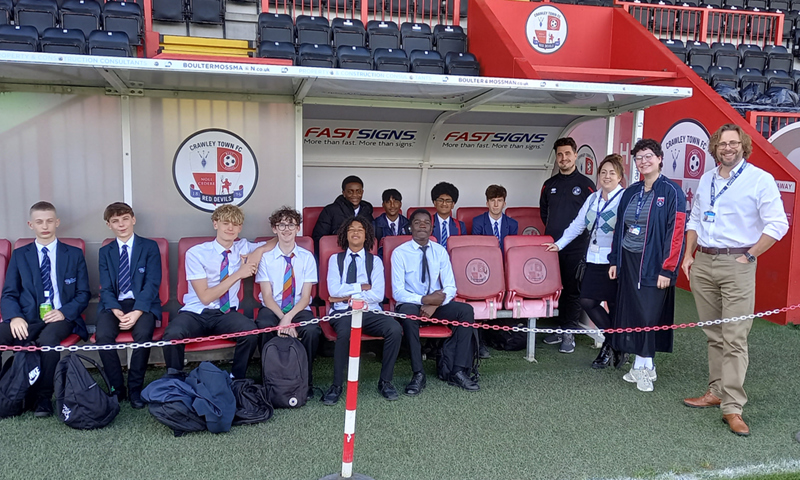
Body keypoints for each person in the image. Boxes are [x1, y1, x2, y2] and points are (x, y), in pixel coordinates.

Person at [682, 124, 788, 437]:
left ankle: (732, 407)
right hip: (704, 261)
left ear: (743, 146)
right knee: (713, 334)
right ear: (715, 148)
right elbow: (695, 218)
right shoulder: (707, 179)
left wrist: (750, 256)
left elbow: (777, 224)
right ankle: (716, 391)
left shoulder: (760, 179)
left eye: (733, 143)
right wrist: (688, 256)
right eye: (722, 144)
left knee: (735, 337)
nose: (727, 148)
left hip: (737, 263)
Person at [608, 139, 686, 393]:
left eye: (648, 156)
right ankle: (641, 365)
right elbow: (620, 228)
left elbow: (677, 234)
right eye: (639, 158)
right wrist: (615, 260)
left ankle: (645, 367)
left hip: (654, 262)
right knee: (633, 312)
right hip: (629, 259)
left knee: (648, 314)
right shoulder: (631, 191)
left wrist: (668, 269)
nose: (644, 161)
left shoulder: (672, 192)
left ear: (660, 158)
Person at [0, 202, 91, 417]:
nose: (45, 226)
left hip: (61, 317)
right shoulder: (20, 255)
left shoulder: (73, 254)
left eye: (49, 221)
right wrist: (15, 317)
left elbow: (83, 293)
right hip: (27, 318)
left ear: (57, 222)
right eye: (39, 222)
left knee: (49, 340)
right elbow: (9, 293)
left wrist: (64, 312)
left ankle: (43, 397)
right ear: (30, 224)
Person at [162, 205, 265, 381]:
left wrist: (258, 252)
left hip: (226, 313)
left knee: (250, 332)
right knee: (173, 334)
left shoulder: (243, 246)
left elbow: (274, 243)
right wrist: (239, 274)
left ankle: (236, 379)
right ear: (215, 224)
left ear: (240, 228)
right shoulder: (197, 253)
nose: (230, 228)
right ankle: (176, 382)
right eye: (226, 223)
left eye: (235, 224)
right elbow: (206, 297)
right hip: (196, 312)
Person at [544, 155, 626, 369]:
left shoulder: (624, 198)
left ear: (620, 177)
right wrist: (559, 244)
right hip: (592, 259)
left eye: (612, 173)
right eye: (603, 172)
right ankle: (615, 342)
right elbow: (578, 224)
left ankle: (608, 348)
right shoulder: (593, 198)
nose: (607, 177)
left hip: (615, 261)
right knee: (587, 301)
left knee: (615, 306)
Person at [392, 209, 479, 394]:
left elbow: (450, 287)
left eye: (426, 222)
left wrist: (433, 304)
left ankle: (458, 371)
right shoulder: (399, 253)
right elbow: (398, 292)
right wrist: (424, 300)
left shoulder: (440, 251)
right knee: (408, 314)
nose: (422, 226)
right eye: (417, 222)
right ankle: (418, 373)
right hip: (411, 303)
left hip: (435, 305)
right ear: (410, 227)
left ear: (431, 228)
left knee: (465, 311)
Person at [323, 217, 403, 405]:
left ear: (367, 235)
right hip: (343, 312)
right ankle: (336, 385)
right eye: (351, 229)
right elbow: (333, 290)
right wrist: (362, 287)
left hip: (370, 311)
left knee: (394, 329)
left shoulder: (375, 261)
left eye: (360, 229)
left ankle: (385, 382)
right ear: (345, 234)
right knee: (344, 333)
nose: (355, 232)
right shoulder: (335, 260)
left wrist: (348, 295)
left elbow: (377, 294)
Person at [96, 202, 161, 409]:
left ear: (133, 219)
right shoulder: (105, 252)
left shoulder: (149, 247)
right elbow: (105, 287)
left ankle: (135, 388)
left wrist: (137, 312)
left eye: (125, 219)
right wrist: (116, 310)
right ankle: (117, 387)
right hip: (114, 304)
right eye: (115, 221)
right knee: (103, 336)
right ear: (109, 225)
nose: (121, 224)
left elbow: (152, 283)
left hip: (143, 303)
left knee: (143, 334)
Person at [255, 207, 321, 401]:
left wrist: (289, 318)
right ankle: (268, 382)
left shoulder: (307, 257)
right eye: (282, 225)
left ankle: (305, 381)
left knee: (311, 331)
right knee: (264, 325)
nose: (286, 229)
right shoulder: (266, 258)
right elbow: (267, 296)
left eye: (291, 225)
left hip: (298, 308)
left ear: (298, 228)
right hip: (273, 307)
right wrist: (282, 318)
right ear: (274, 229)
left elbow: (306, 296)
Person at [539, 137, 596, 354]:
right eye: (560, 155)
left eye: (567, 154)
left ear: (575, 155)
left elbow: (590, 217)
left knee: (572, 290)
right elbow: (544, 213)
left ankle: (569, 332)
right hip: (552, 247)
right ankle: (560, 328)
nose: (564, 158)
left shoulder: (586, 185)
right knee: (557, 289)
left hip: (576, 247)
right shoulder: (549, 185)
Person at [312, 175, 374, 253]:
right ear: (344, 193)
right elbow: (319, 239)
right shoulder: (330, 210)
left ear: (362, 192)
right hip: (336, 253)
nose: (355, 195)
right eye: (350, 192)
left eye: (358, 191)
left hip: (363, 253)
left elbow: (371, 237)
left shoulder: (367, 210)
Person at [471, 184, 519, 251]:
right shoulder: (478, 222)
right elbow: (476, 249)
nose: (496, 205)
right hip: (485, 256)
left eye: (499, 201)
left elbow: (512, 251)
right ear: (487, 204)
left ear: (504, 204)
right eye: (492, 200)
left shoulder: (513, 224)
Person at [373, 188, 410, 258]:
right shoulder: (375, 225)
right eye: (388, 202)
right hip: (382, 260)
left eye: (395, 202)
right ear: (383, 205)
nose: (392, 205)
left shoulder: (408, 224)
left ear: (400, 204)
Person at [430, 182, 466, 250]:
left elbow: (462, 248)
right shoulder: (427, 223)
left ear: (453, 204)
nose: (444, 204)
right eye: (440, 200)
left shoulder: (460, 226)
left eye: (448, 201)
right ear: (435, 203)